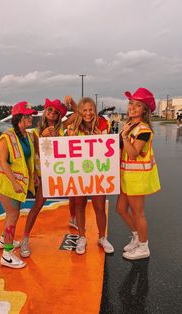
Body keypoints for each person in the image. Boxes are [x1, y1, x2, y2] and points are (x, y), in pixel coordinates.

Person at [20, 97, 77, 258]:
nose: (52, 113)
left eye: (56, 112)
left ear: (59, 116)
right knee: (37, 206)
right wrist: (43, 137)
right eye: (50, 110)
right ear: (45, 111)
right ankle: (25, 238)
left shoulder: (61, 127)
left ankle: (73, 219)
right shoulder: (35, 132)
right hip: (46, 175)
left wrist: (71, 102)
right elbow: (38, 154)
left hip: (61, 171)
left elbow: (77, 114)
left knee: (75, 192)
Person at [0, 101, 39, 268]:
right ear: (18, 118)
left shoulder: (29, 135)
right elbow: (3, 162)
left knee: (13, 213)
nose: (31, 118)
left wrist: (34, 177)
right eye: (27, 115)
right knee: (13, 214)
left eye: (31, 115)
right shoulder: (7, 137)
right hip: (5, 181)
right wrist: (14, 183)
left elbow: (28, 159)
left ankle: (4, 240)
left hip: (18, 182)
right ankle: (7, 254)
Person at [116, 87, 161, 260]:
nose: (133, 107)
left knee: (138, 213)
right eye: (131, 103)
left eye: (138, 105)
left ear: (145, 110)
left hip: (136, 177)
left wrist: (125, 137)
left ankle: (144, 247)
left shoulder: (143, 129)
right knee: (120, 209)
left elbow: (134, 153)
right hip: (125, 175)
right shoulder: (129, 125)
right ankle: (137, 237)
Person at [67, 96, 114, 255]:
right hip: (79, 172)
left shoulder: (103, 124)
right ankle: (82, 237)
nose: (88, 113)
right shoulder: (74, 127)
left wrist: (98, 135)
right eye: (84, 110)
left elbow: (109, 148)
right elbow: (67, 148)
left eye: (90, 109)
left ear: (95, 110)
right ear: (80, 111)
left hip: (98, 172)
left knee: (99, 207)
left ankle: (102, 237)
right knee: (79, 205)